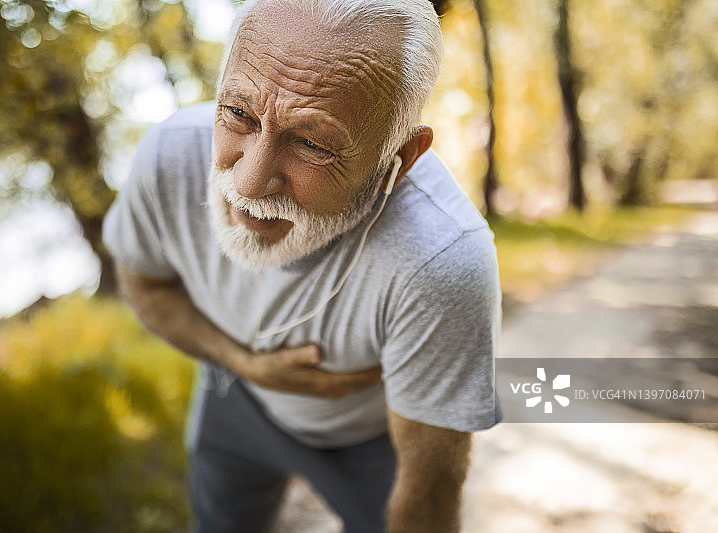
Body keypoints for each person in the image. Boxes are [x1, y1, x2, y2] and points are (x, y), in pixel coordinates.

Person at [104, 0, 501, 531]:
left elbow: (431, 485)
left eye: (313, 143)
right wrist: (243, 364)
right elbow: (146, 286)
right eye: (239, 113)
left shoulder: (440, 262)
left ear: (402, 157)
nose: (248, 184)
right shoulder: (166, 157)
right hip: (235, 396)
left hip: (370, 439)